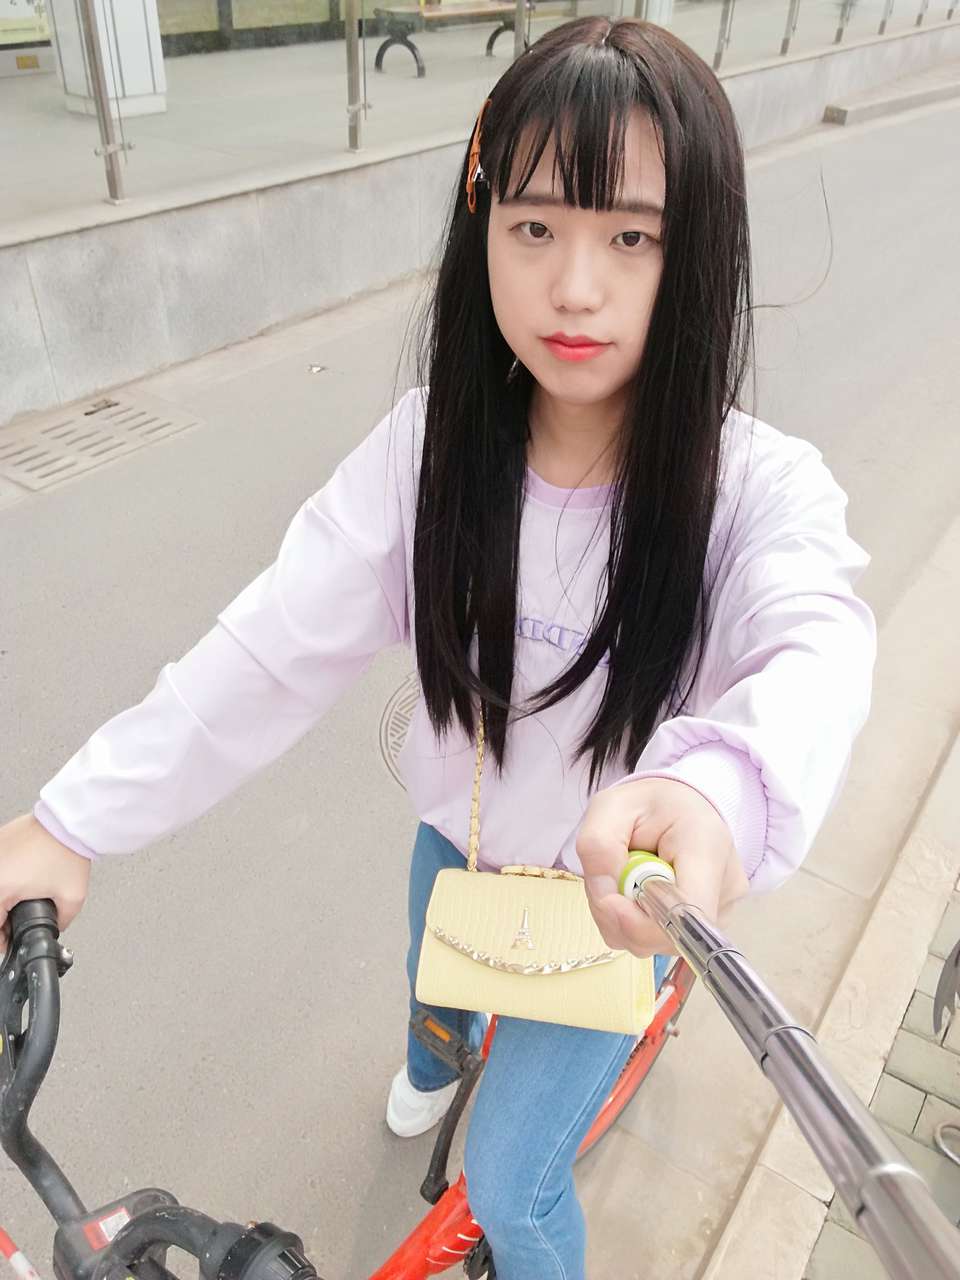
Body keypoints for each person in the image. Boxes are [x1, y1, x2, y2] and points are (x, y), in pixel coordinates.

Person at [0, 17, 875, 1279]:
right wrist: (70, 818)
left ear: (697, 249)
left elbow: (816, 643)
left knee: (510, 1183)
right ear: (483, 227)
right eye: (535, 228)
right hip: (455, 843)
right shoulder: (427, 453)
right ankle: (431, 1056)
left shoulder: (752, 488)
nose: (575, 287)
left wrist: (719, 786)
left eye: (631, 236)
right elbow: (268, 647)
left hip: (610, 909)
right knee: (430, 997)